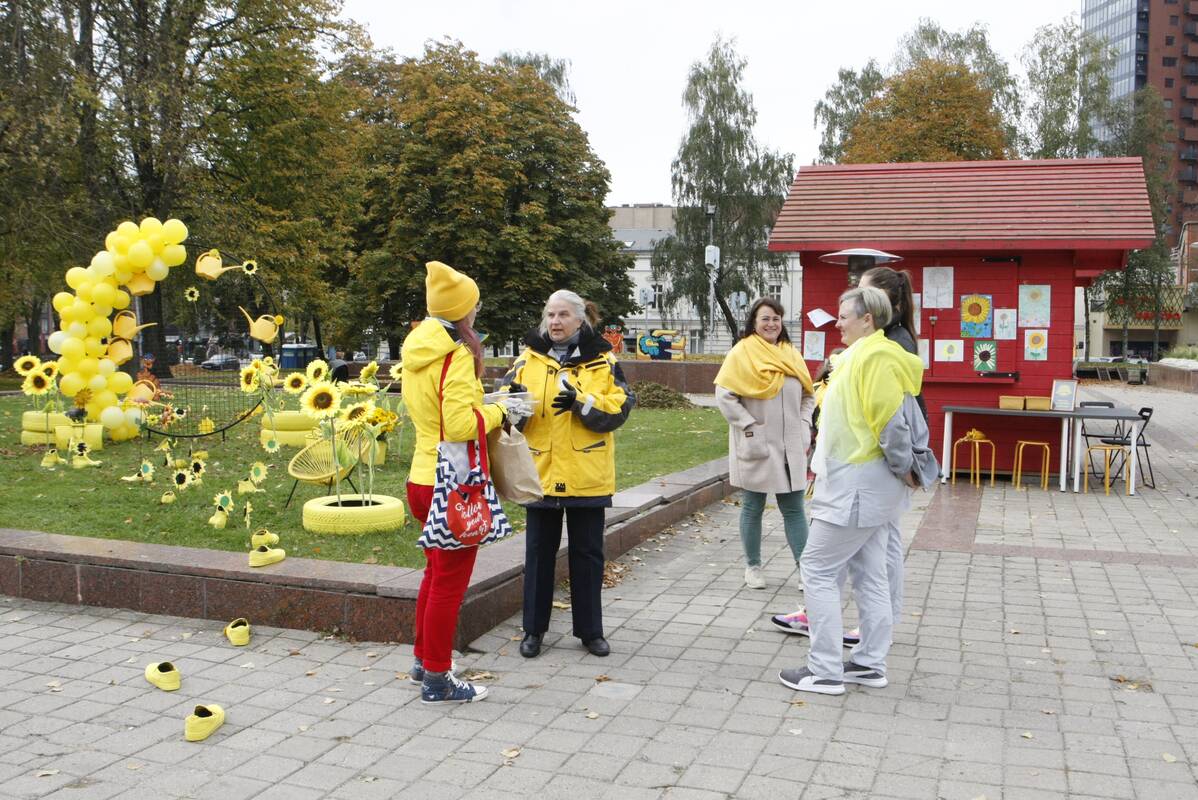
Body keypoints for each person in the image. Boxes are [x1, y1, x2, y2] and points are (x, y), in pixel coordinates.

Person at [778, 286, 926, 696]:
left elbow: (890, 423)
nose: (837, 323)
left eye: (844, 316)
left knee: (817, 569)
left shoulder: (872, 357)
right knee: (869, 574)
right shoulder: (865, 355)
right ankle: (868, 664)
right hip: (863, 484)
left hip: (856, 484)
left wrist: (906, 470)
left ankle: (824, 670)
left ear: (867, 319)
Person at [500, 290, 635, 658]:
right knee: (538, 556)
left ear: (580, 319)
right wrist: (514, 405)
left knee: (588, 556)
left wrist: (581, 403)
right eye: (550, 315)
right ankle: (533, 631)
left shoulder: (603, 360)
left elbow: (621, 407)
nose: (555, 322)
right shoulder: (526, 359)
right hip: (540, 473)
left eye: (562, 315)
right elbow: (504, 407)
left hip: (586, 473)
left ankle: (591, 633)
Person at [402, 260, 507, 704]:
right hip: (452, 483)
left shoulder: (418, 348)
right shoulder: (456, 354)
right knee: (448, 583)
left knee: (434, 574)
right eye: (474, 304)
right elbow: (460, 425)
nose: (477, 310)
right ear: (463, 309)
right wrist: (501, 410)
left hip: (421, 478)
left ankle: (424, 660)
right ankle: (438, 679)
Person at [714, 298, 815, 590]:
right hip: (757, 441)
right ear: (754, 323)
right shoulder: (742, 353)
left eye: (776, 319)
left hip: (791, 444)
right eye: (765, 319)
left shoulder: (791, 354)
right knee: (753, 505)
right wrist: (748, 425)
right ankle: (753, 567)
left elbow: (809, 395)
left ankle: (806, 571)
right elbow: (725, 395)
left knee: (794, 508)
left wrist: (804, 423)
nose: (771, 324)